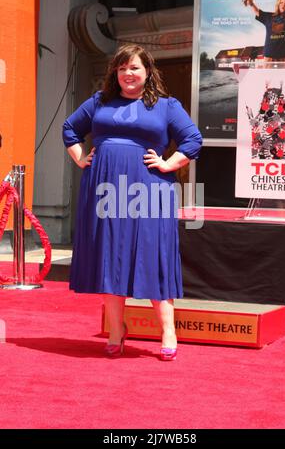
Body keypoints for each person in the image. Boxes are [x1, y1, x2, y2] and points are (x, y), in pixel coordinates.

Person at [62, 44, 202, 361]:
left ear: (148, 72)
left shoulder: (166, 106)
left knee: (153, 255)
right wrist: (82, 158)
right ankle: (116, 330)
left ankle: (168, 331)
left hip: (149, 189)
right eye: (122, 68)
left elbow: (193, 139)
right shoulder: (100, 101)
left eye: (135, 68)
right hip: (104, 187)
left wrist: (169, 163)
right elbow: (70, 128)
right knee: (110, 256)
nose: (128, 73)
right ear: (116, 72)